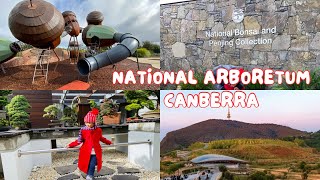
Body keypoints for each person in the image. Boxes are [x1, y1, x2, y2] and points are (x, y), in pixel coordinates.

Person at [66, 108, 112, 180]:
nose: (88, 124)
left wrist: (108, 142)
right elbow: (79, 140)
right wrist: (71, 145)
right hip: (86, 151)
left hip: (95, 151)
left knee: (92, 164)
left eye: (90, 122)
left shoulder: (98, 130)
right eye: (86, 122)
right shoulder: (83, 130)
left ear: (93, 122)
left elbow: (101, 138)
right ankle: (89, 175)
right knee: (86, 163)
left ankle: (89, 176)